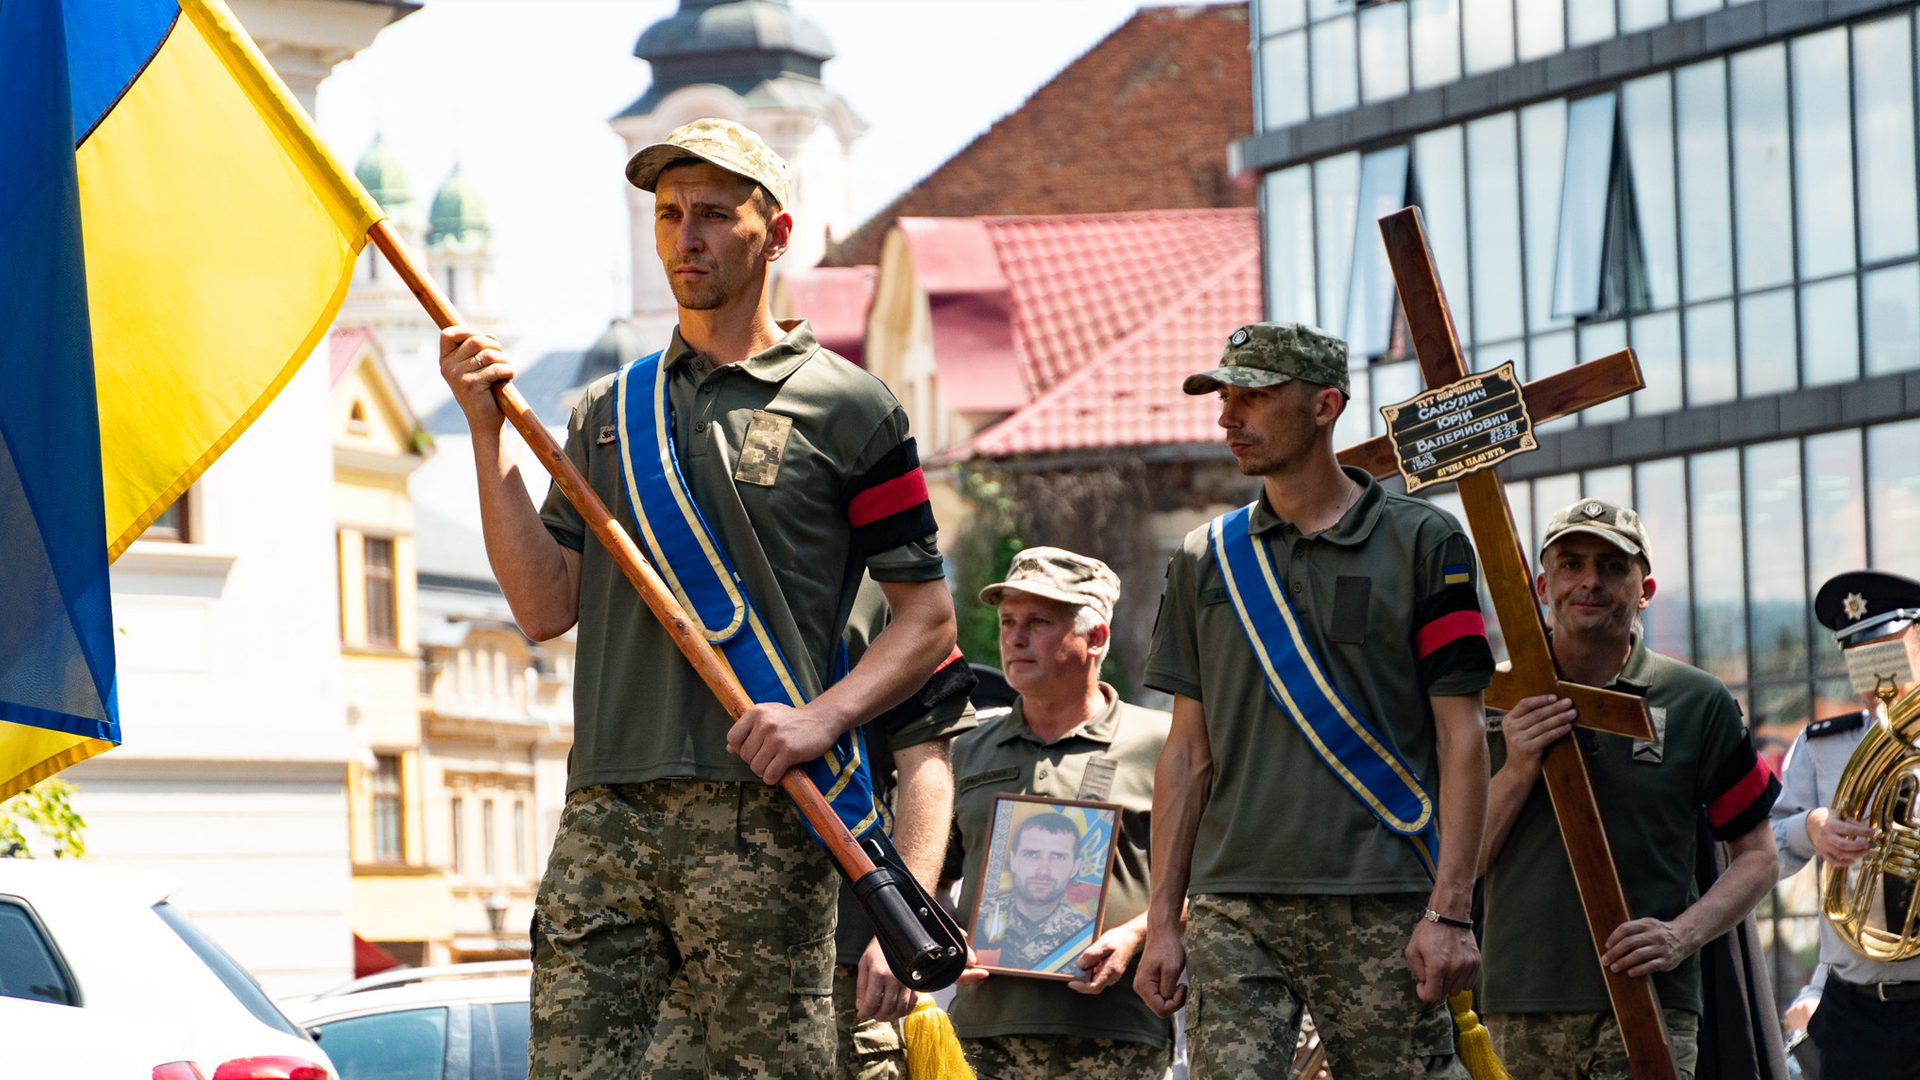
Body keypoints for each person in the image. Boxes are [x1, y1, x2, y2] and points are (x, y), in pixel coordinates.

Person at [437, 117, 956, 1078]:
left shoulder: (851, 407)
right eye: (670, 214)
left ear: (779, 233)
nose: (687, 237)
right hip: (606, 806)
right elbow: (546, 607)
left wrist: (820, 719)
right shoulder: (604, 412)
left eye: (716, 213)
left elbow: (926, 618)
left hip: (763, 810)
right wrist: (484, 436)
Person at [1138, 322, 1494, 1079]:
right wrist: (1163, 921)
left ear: (1326, 404)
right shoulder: (1205, 559)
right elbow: (1186, 755)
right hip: (1233, 905)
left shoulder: (1426, 545)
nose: (1229, 416)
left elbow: (1464, 740)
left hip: (1382, 900)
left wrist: (1451, 910)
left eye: (1256, 397)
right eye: (1225, 397)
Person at [1479, 498, 1781, 1080]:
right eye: (1571, 565)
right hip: (1516, 1005)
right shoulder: (1487, 698)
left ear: (1645, 589)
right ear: (1542, 584)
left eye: (1613, 567)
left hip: (1652, 1005)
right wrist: (1517, 766)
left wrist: (1682, 934)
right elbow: (1455, 863)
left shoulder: (1697, 701)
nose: (1590, 581)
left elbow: (1760, 858)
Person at [943, 546, 1174, 1079]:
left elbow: (1209, 879)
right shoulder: (965, 748)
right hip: (983, 1036)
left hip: (1118, 1033)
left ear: (1096, 638)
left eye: (1039, 621)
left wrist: (1140, 932)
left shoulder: (1163, 744)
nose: (1015, 638)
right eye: (1007, 621)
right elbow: (930, 877)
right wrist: (947, 936)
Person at [1771, 570, 1920, 1079]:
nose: (1874, 669)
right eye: (1859, 655)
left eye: (1887, 647)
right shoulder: (1821, 744)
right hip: (1854, 1010)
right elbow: (1755, 852)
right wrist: (1808, 827)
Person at [973, 811, 1094, 969]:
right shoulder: (979, 917)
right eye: (1031, 854)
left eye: (1057, 857)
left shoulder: (1083, 933)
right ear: (1013, 861)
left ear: (1074, 867)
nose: (1043, 871)